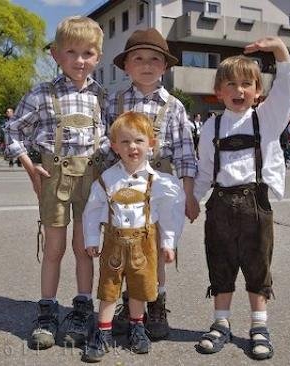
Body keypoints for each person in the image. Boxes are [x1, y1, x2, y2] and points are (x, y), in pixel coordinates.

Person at [5, 16, 113, 350]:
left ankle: (82, 308)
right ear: (56, 55)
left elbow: (112, 139)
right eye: (72, 53)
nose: (80, 60)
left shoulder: (102, 97)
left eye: (88, 53)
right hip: (54, 178)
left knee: (84, 248)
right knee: (54, 248)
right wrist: (29, 164)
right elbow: (12, 131)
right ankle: (48, 309)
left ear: (98, 56)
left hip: (91, 181)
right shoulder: (41, 94)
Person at [193, 36, 290, 360]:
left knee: (257, 266)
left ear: (258, 91)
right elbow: (205, 170)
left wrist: (280, 52)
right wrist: (193, 199)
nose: (239, 91)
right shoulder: (211, 126)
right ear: (218, 91)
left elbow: (287, 90)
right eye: (231, 85)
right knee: (220, 264)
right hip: (220, 204)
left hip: (256, 202)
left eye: (246, 84)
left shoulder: (266, 118)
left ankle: (259, 326)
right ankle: (220, 323)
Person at [106, 28, 198, 340]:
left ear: (165, 66)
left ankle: (156, 303)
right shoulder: (114, 102)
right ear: (126, 66)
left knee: (156, 248)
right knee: (127, 243)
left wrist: (189, 194)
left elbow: (186, 152)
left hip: (160, 187)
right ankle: (128, 304)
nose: (146, 65)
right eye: (139, 59)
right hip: (124, 186)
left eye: (154, 59)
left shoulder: (174, 106)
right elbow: (105, 148)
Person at [82, 111, 185, 361]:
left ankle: (137, 327)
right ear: (115, 146)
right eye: (125, 142)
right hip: (113, 243)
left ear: (151, 144)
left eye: (139, 141)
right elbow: (92, 211)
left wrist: (169, 243)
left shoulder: (159, 181)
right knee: (108, 287)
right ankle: (103, 332)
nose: (132, 147)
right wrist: (92, 240)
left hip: (145, 243)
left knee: (139, 288)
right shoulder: (107, 179)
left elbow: (169, 216)